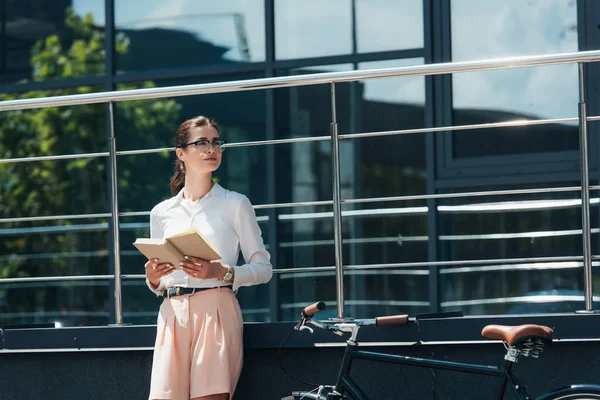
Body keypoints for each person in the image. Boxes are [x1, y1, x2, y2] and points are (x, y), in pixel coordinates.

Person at [144, 116, 272, 400]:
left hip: (216, 309)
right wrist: (153, 277)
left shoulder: (236, 204)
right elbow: (160, 275)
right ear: (181, 153)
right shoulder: (161, 212)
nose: (211, 149)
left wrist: (222, 272)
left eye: (216, 142)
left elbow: (263, 268)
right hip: (171, 314)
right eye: (201, 142)